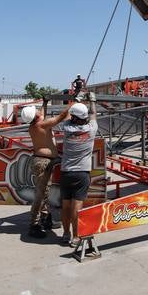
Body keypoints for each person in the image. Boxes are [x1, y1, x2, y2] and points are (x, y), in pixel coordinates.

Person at [47, 92, 97, 246]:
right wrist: (92, 100)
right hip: (82, 174)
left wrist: (77, 99)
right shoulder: (91, 129)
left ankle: (66, 233)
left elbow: (68, 114)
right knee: (77, 208)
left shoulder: (67, 128)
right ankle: (76, 237)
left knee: (66, 206)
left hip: (66, 173)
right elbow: (93, 113)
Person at [23, 105, 60, 239]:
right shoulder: (42, 125)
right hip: (43, 162)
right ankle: (34, 225)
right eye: (37, 110)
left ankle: (46, 220)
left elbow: (41, 115)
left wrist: (45, 103)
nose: (39, 110)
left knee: (44, 193)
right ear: (36, 115)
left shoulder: (34, 125)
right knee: (40, 196)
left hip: (43, 161)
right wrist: (73, 104)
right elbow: (60, 118)